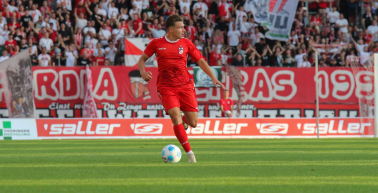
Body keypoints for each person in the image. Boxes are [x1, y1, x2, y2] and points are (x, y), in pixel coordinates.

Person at [138, 15, 225, 163]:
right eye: (180, 27)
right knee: (175, 116)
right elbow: (142, 60)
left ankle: (184, 122)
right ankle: (190, 154)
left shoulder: (186, 44)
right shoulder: (156, 43)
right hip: (166, 87)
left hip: (185, 86)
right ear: (171, 29)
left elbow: (201, 61)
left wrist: (213, 77)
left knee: (193, 123)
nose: (184, 30)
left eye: (184, 27)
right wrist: (142, 72)